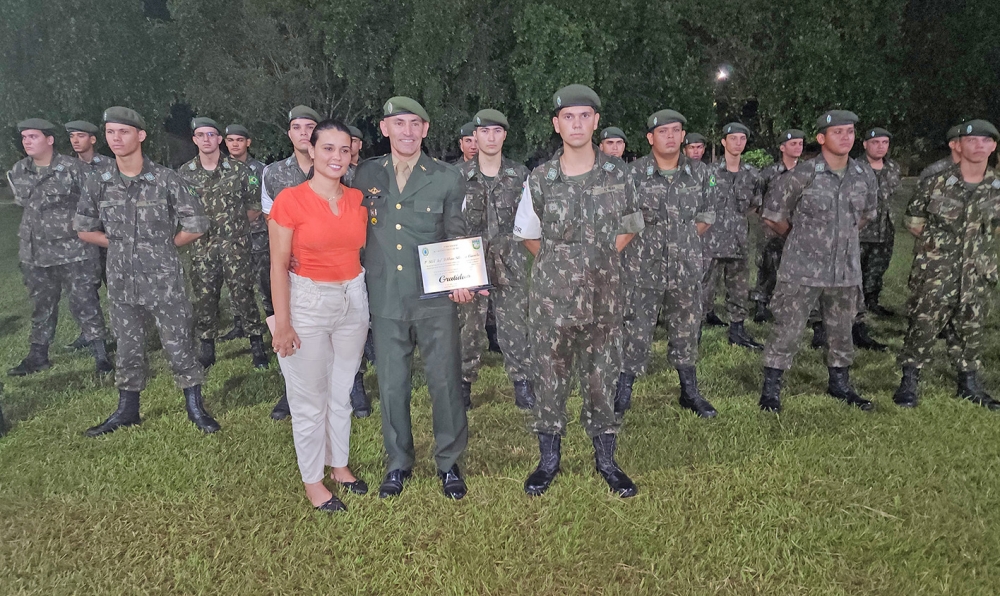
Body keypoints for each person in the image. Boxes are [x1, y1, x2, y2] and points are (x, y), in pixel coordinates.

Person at [513, 84, 644, 498]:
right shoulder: (540, 179)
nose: (576, 123)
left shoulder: (618, 174)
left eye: (584, 116)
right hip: (553, 301)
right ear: (556, 124)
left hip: (604, 297)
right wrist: (562, 265)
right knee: (549, 378)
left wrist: (598, 260)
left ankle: (606, 459)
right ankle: (548, 460)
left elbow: (630, 226)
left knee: (602, 377)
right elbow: (529, 236)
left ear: (596, 122)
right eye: (568, 117)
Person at [353, 96, 479, 500]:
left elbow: (455, 231)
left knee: (444, 381)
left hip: (435, 298)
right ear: (384, 128)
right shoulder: (365, 175)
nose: (407, 131)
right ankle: (398, 462)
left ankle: (448, 462)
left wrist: (461, 277)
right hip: (387, 296)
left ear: (425, 129)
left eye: (415, 124)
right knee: (391, 385)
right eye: (398, 123)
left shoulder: (445, 177)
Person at [75, 106, 218, 435]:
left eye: (123, 131)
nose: (116, 138)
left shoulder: (166, 179)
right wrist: (119, 244)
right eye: (110, 132)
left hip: (164, 281)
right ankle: (127, 410)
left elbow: (196, 223)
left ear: (140, 135)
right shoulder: (100, 181)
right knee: (126, 347)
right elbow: (83, 228)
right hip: (122, 283)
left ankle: (195, 407)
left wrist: (165, 245)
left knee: (179, 343)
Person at [269, 120, 371, 513]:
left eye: (344, 150)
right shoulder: (289, 201)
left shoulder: (357, 199)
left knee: (341, 389)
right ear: (311, 150)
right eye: (328, 148)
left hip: (353, 299)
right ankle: (314, 482)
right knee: (309, 399)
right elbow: (278, 265)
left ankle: (340, 465)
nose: (337, 157)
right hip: (308, 301)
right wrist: (283, 322)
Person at [758, 110, 878, 413]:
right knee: (788, 327)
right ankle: (771, 388)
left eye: (850, 131)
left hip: (845, 270)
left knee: (842, 329)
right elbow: (774, 216)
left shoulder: (864, 175)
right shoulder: (802, 174)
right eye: (837, 132)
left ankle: (840, 383)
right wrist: (802, 239)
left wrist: (840, 240)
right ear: (822, 138)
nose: (845, 137)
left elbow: (864, 217)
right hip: (802, 268)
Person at [892, 120, 1000, 410]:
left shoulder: (996, 188)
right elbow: (914, 221)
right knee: (923, 325)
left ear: (993, 146)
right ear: (959, 145)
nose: (979, 146)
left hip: (977, 273)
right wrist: (938, 249)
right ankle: (909, 382)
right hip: (937, 272)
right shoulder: (937, 182)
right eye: (972, 140)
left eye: (985, 141)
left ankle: (969, 384)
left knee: (971, 327)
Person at [617, 109, 718, 419]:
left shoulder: (701, 173)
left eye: (676, 130)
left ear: (683, 136)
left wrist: (682, 239)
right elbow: (624, 219)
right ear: (650, 138)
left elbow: (708, 214)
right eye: (663, 132)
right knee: (635, 330)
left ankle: (689, 392)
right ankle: (622, 393)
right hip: (642, 269)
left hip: (685, 269)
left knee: (686, 330)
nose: (671, 136)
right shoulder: (632, 175)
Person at [6, 118, 111, 377]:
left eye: (33, 136)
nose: (27, 142)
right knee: (42, 306)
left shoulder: (73, 168)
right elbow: (24, 204)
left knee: (84, 302)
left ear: (49, 140)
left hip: (74, 251)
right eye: (24, 138)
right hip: (36, 253)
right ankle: (38, 356)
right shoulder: (19, 170)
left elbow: (94, 202)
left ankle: (101, 356)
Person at [457, 109, 535, 410]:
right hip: (469, 263)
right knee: (469, 328)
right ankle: (463, 384)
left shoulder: (520, 175)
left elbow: (531, 219)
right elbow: (450, 222)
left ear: (504, 135)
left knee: (515, 326)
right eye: (484, 131)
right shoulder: (458, 176)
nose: (490, 137)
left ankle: (522, 383)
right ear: (474, 136)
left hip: (510, 262)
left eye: (496, 131)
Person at [177, 118, 269, 371]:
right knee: (205, 297)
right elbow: (181, 211)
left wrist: (232, 226)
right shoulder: (184, 174)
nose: (206, 139)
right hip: (202, 248)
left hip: (235, 246)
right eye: (200, 135)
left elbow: (253, 207)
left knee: (244, 295)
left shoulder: (240, 171)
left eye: (211, 134)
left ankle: (257, 346)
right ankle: (207, 348)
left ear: (219, 140)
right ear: (195, 140)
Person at [260, 105, 320, 421]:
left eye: (309, 126)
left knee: (341, 326)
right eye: (297, 127)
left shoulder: (338, 167)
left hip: (332, 265)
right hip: (293, 266)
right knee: (292, 324)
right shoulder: (273, 174)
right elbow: (272, 219)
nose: (303, 133)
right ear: (290, 133)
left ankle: (353, 385)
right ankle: (291, 391)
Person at [700, 122, 762, 350]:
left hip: (738, 242)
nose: (738, 143)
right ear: (724, 142)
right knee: (704, 287)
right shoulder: (708, 173)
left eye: (742, 139)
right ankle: (693, 331)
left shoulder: (752, 175)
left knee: (739, 288)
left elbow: (754, 205)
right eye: (733, 138)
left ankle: (737, 330)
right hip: (711, 241)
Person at [220, 123, 270, 343]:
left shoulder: (260, 170)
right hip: (231, 238)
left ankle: (272, 320)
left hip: (258, 234)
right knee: (236, 282)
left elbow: (264, 203)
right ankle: (239, 323)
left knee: (265, 281)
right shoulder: (219, 169)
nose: (234, 144)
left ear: (248, 143)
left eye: (239, 140)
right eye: (230, 140)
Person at [751, 129, 804, 323]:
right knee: (767, 267)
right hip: (770, 229)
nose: (798, 147)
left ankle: (788, 305)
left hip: (796, 227)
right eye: (793, 144)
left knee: (793, 269)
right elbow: (758, 201)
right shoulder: (769, 173)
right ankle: (761, 304)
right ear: (782, 147)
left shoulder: (806, 172)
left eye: (800, 143)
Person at [857, 127, 902, 323]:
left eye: (884, 143)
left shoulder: (893, 168)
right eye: (875, 142)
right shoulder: (855, 167)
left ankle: (872, 300)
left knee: (877, 267)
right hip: (860, 229)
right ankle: (854, 305)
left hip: (884, 228)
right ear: (865, 144)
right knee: (855, 268)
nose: (880, 147)